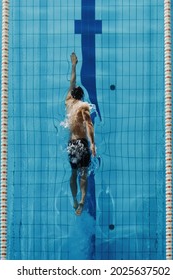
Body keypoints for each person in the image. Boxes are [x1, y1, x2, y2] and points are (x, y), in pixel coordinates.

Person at [65, 52, 96, 216]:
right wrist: (93, 143)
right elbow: (89, 124)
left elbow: (72, 82)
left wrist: (74, 65)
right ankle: (83, 199)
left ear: (71, 95)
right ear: (82, 96)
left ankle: (75, 199)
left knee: (74, 172)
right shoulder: (84, 105)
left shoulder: (69, 103)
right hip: (82, 143)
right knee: (84, 172)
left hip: (72, 144)